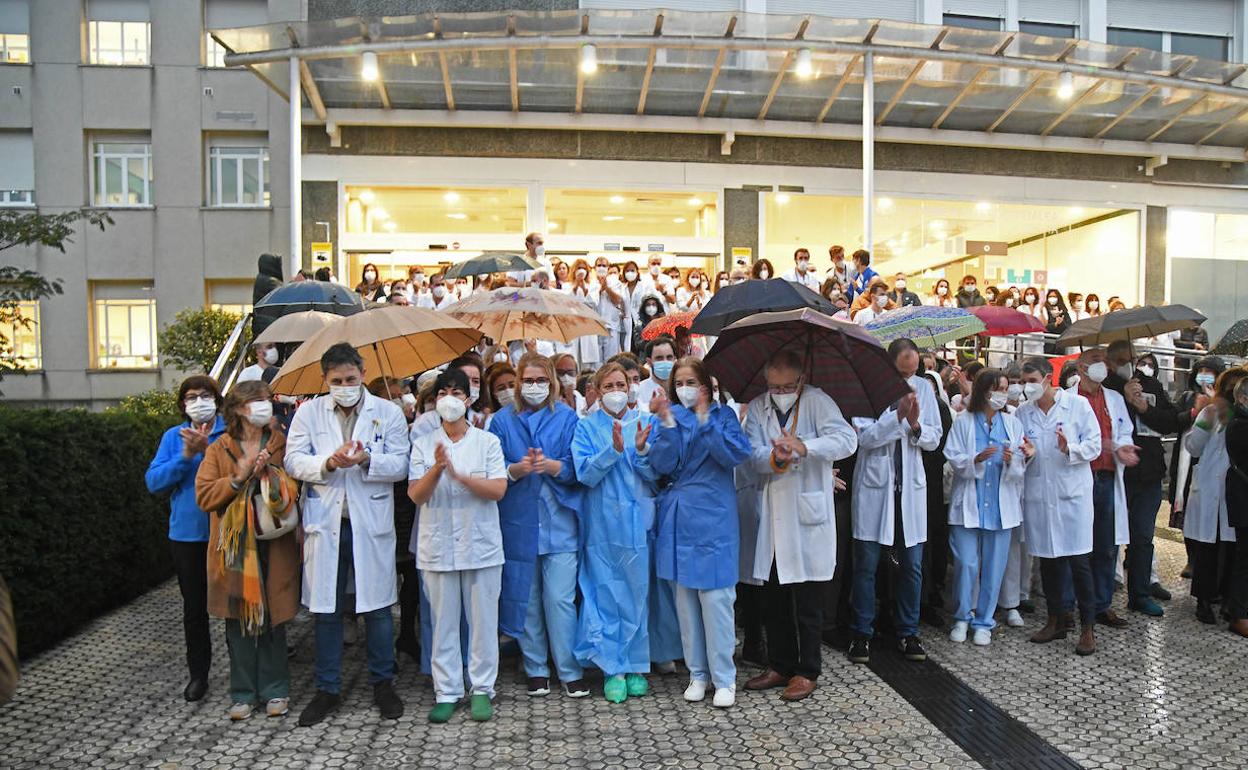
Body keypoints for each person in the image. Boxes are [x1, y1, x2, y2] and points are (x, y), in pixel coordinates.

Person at [284, 343, 411, 726]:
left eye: (350, 379)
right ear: (325, 380)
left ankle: (383, 683)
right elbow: (292, 459)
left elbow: (402, 464)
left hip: (368, 521)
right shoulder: (308, 413)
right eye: (336, 381)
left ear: (362, 374)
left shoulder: (386, 412)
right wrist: (328, 461)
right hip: (327, 521)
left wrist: (368, 459)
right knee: (326, 607)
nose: (344, 386)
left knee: (377, 606)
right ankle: (327, 689)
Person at [741, 350, 856, 702]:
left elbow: (847, 440)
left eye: (787, 386)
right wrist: (773, 457)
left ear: (801, 380)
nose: (780, 392)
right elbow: (749, 452)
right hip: (773, 513)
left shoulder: (819, 402)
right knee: (773, 596)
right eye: (774, 387)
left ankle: (807, 670)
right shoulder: (759, 407)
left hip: (807, 515)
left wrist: (805, 446)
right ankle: (780, 663)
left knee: (807, 601)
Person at [647, 357, 751, 708]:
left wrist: (706, 419)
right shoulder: (672, 417)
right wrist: (665, 424)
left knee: (717, 599)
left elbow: (733, 454)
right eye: (679, 382)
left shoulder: (724, 417)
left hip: (713, 515)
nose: (685, 388)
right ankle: (697, 673)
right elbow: (662, 464)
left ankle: (725, 678)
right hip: (678, 515)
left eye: (692, 381)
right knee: (685, 601)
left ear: (707, 385)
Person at [406, 367, 507, 723]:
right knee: (443, 622)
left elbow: (497, 489)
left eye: (457, 392)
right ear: (435, 402)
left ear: (469, 399)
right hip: (438, 546)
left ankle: (482, 689)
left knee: (482, 622)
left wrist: (461, 477)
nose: (450, 399)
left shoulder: (487, 442)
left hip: (481, 545)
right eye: (443, 393)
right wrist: (436, 468)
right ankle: (447, 690)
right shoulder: (422, 443)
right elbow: (416, 495)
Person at [194, 380, 299, 720]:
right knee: (238, 619)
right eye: (258, 401)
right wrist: (238, 478)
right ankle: (242, 693)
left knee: (273, 617)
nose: (265, 406)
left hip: (274, 540)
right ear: (239, 408)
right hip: (236, 546)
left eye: (268, 400)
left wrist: (271, 474)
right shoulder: (218, 448)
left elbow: (294, 488)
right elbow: (205, 496)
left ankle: (275, 690)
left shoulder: (279, 442)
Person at [489, 353, 588, 698]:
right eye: (528, 380)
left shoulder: (567, 417)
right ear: (518, 384)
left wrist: (552, 466)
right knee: (527, 599)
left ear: (552, 382)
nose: (534, 387)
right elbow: (492, 464)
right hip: (518, 519)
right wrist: (515, 470)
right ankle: (535, 668)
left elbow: (578, 465)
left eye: (540, 380)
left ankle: (569, 669)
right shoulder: (502, 421)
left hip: (559, 520)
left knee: (559, 599)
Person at [847, 339, 941, 664]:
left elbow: (933, 438)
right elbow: (864, 438)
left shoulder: (926, 390)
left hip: (910, 492)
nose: (909, 378)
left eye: (913, 371)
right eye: (902, 372)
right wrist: (897, 418)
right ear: (889, 366)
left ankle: (907, 632)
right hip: (875, 490)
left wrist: (914, 425)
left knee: (911, 566)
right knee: (866, 567)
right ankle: (861, 633)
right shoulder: (867, 388)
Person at [570, 363, 659, 703]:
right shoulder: (586, 428)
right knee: (605, 594)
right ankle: (613, 668)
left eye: (621, 383)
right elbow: (585, 474)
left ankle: (636, 664)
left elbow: (654, 475)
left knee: (637, 592)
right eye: (608, 385)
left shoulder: (644, 422)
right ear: (597, 390)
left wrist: (642, 451)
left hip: (636, 524)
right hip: (602, 525)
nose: (617, 390)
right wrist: (614, 450)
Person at [145, 376, 227, 702]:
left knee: (236, 603)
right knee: (194, 608)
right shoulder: (172, 437)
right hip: (188, 535)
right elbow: (154, 482)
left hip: (227, 531)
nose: (198, 402)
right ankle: (199, 674)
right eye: (191, 397)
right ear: (182, 404)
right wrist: (185, 456)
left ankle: (246, 672)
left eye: (205, 395)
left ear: (216, 400)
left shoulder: (229, 431)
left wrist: (209, 451)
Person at [1015, 357, 1100, 654]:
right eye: (1024, 382)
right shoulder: (1023, 413)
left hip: (1072, 496)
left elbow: (1095, 445)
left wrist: (1071, 449)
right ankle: (1055, 619)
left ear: (1048, 378)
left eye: (1032, 381)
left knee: (1079, 563)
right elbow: (1019, 450)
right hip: (1040, 496)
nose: (1028, 388)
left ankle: (1087, 626)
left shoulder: (1077, 406)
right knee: (1048, 561)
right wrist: (1026, 453)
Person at [943, 369, 1030, 646]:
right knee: (967, 563)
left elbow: (1021, 466)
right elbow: (953, 457)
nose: (1002, 395)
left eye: (1005, 389)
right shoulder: (963, 422)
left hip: (1000, 509)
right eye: (997, 389)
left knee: (994, 567)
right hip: (968, 505)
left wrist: (1012, 461)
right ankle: (962, 617)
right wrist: (976, 459)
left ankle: (984, 621)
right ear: (983, 391)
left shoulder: (1012, 424)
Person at [1103, 340, 1181, 616]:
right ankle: (1102, 598)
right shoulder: (1107, 387)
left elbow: (1170, 420)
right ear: (1111, 362)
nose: (1132, 363)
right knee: (1109, 536)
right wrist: (1124, 397)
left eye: (1133, 358)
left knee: (1143, 536)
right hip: (1115, 472)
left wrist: (1142, 406)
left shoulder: (1150, 385)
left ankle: (1140, 593)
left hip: (1148, 470)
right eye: (1125, 359)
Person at [1073, 348, 1139, 630]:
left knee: (1106, 545)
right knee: (1074, 545)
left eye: (1103, 362)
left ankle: (1101, 604)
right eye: (1094, 362)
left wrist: (1122, 446)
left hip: (1107, 477)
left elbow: (1124, 431)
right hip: (1078, 479)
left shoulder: (1113, 398)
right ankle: (1068, 605)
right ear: (1080, 368)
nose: (1101, 367)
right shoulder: (1068, 398)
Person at [1183, 367, 1247, 624]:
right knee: (1208, 549)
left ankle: (1228, 601)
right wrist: (1203, 419)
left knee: (1232, 549)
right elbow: (1192, 445)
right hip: (1211, 488)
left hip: (1233, 491)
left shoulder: (1237, 417)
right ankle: (1204, 600)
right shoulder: (1211, 413)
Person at [1222, 376, 1248, 638]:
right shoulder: (1239, 425)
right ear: (1242, 399)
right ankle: (1239, 615)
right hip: (1243, 500)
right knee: (1245, 560)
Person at [593, 256, 627, 360]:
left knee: (610, 359)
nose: (601, 268)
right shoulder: (591, 283)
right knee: (596, 360)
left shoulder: (615, 282)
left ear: (608, 268)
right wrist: (598, 290)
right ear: (594, 268)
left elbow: (618, 300)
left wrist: (606, 288)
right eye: (599, 265)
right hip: (594, 327)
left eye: (604, 265)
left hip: (611, 326)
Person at [638, 335, 677, 407]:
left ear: (674, 359)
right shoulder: (639, 391)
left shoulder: (681, 388)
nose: (665, 361)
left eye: (669, 357)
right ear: (649, 362)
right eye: (659, 358)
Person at [251, 254, 284, 335]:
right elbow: (281, 299)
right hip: (269, 324)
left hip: (261, 322)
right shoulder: (271, 281)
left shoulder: (262, 278)